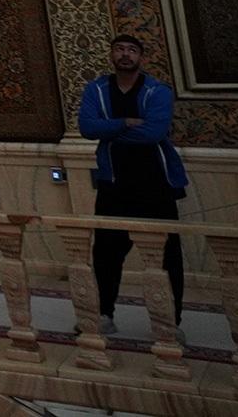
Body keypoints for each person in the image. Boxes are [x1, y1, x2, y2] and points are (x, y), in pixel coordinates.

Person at [78, 33, 188, 331]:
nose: (125, 54)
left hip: (156, 184)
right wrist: (125, 122)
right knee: (106, 253)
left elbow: (154, 133)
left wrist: (109, 131)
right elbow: (87, 128)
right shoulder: (97, 89)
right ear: (111, 55)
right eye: (119, 49)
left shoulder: (157, 91)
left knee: (167, 256)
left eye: (131, 50)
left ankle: (171, 323)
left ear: (142, 57)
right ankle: (104, 314)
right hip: (113, 183)